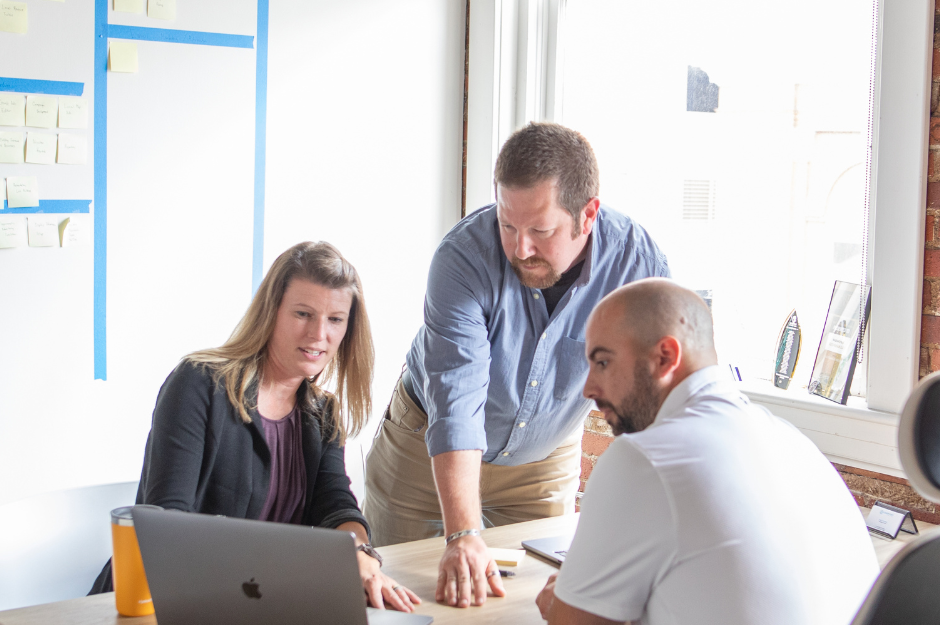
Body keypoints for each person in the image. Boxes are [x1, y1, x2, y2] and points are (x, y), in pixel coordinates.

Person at [362, 122, 669, 608]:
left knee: (527, 605)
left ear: (586, 215)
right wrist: (462, 531)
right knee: (399, 600)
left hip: (542, 461)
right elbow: (456, 400)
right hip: (425, 450)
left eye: (540, 231)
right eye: (508, 225)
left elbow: (648, 400)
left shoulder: (637, 265)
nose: (520, 248)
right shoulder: (462, 258)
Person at [91, 242, 420, 613]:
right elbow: (166, 523)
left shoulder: (322, 412)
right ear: (271, 312)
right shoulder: (199, 384)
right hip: (159, 602)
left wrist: (359, 555)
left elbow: (335, 504)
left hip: (261, 603)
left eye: (335, 319)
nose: (318, 335)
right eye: (303, 313)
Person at [534, 278, 878, 625]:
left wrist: (561, 603)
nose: (588, 388)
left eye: (603, 363)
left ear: (665, 357)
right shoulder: (794, 444)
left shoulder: (644, 459)